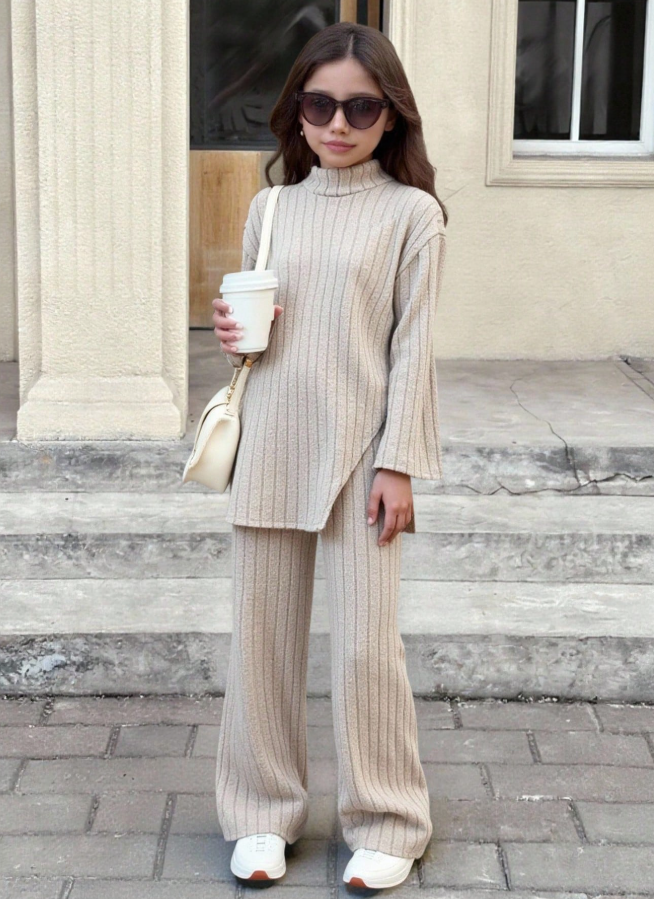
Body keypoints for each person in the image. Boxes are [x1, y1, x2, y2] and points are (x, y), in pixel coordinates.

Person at [212, 21, 448, 891]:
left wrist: (400, 461)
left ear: (391, 115)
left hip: (363, 452)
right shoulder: (270, 209)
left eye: (359, 107)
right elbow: (253, 342)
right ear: (296, 112)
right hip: (273, 440)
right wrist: (233, 332)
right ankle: (259, 813)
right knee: (260, 645)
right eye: (318, 105)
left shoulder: (412, 215)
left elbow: (413, 345)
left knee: (364, 650)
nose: (337, 123)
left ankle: (387, 819)